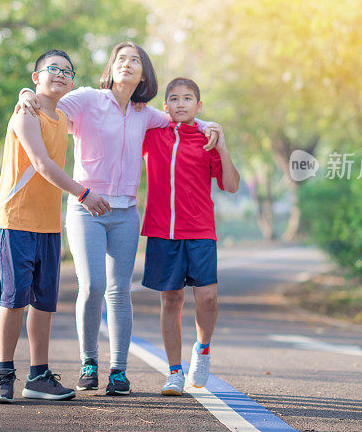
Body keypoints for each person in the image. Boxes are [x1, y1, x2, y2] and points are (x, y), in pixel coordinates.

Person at [16, 42, 220, 396]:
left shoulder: (146, 114)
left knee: (119, 291)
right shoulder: (87, 99)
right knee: (93, 285)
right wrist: (25, 92)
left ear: (144, 73)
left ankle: (119, 372)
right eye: (121, 59)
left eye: (135, 60)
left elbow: (180, 118)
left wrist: (208, 124)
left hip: (126, 212)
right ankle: (89, 362)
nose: (128, 64)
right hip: (86, 208)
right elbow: (47, 100)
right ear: (110, 68)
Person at [0, 50, 111, 404]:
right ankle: (4, 374)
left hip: (47, 225)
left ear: (72, 82)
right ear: (35, 76)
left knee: (43, 302)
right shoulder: (25, 114)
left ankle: (39, 376)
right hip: (15, 220)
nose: (60, 74)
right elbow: (41, 164)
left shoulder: (61, 118)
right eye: (52, 69)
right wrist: (84, 193)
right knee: (14, 300)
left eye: (67, 71)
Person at [140, 77, 240, 396]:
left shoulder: (207, 138)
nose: (180, 103)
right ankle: (173, 372)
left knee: (207, 297)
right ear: (165, 105)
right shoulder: (153, 134)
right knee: (171, 299)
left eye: (187, 98)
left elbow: (232, 184)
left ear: (199, 104)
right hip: (161, 230)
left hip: (199, 229)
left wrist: (221, 143)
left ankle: (203, 349)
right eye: (174, 98)